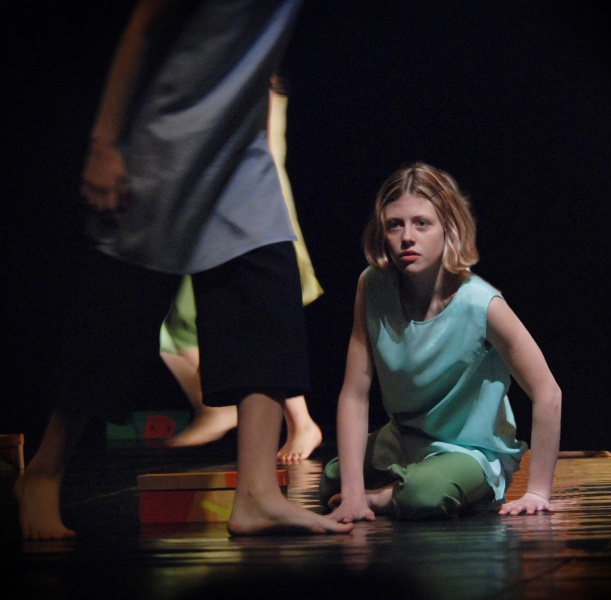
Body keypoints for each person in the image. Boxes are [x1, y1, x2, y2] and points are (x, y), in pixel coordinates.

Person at [14, 0, 353, 540]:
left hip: (240, 154)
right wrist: (105, 142)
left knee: (267, 299)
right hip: (170, 143)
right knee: (113, 318)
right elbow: (145, 21)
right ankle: (44, 471)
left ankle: (258, 494)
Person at [319, 162, 562, 522]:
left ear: (448, 228)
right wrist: (352, 494)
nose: (407, 237)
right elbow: (354, 393)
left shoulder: (480, 303)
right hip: (402, 440)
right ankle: (386, 490)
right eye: (395, 224)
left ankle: (387, 496)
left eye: (422, 223)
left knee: (424, 494)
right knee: (333, 480)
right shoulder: (373, 286)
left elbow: (547, 392)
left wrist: (538, 491)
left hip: (469, 450)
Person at [160, 75, 324, 464]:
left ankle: (230, 412)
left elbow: (265, 156)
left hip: (253, 218)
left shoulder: (255, 84)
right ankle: (284, 420)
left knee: (214, 325)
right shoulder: (244, 83)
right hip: (232, 216)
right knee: (187, 327)